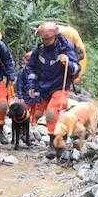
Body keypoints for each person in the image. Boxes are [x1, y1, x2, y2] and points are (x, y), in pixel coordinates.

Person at [26, 22, 80, 158]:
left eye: (47, 39)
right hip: (43, 86)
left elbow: (76, 68)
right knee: (38, 112)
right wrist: (32, 85)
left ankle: (53, 144)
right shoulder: (39, 50)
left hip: (59, 85)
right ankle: (57, 139)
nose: (45, 41)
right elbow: (32, 68)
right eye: (43, 39)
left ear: (55, 36)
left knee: (51, 112)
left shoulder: (66, 47)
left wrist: (68, 62)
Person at [15, 51, 43, 126]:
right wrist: (20, 96)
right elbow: (19, 84)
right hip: (25, 95)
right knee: (25, 109)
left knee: (34, 109)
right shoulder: (22, 72)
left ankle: (33, 122)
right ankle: (24, 122)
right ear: (25, 60)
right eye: (28, 60)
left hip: (34, 95)